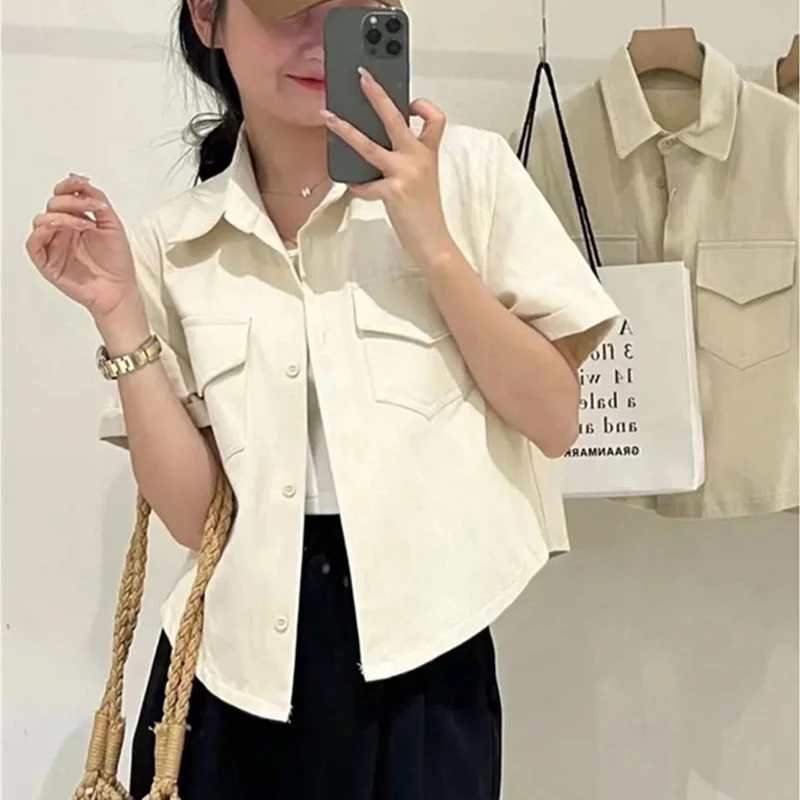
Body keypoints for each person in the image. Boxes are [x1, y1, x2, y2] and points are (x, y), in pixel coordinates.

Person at [25, 0, 619, 797]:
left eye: (350, 11)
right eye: (288, 9)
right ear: (208, 18)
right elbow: (196, 521)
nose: (320, 41)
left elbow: (553, 419)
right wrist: (120, 316)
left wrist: (431, 240)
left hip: (425, 665)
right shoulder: (177, 242)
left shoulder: (469, 176)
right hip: (228, 679)